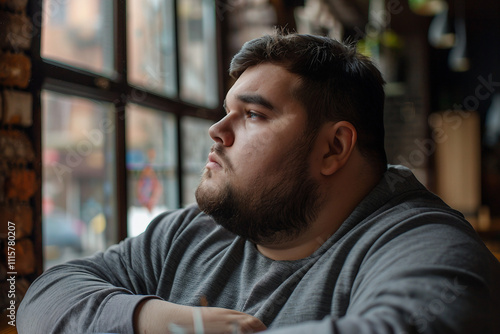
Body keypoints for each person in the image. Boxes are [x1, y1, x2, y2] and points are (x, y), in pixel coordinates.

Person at [18, 32, 500, 334]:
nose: (216, 131)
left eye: (252, 114)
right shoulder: (190, 233)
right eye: (224, 111)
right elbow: (44, 298)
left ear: (334, 148)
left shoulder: (423, 243)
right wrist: (170, 322)